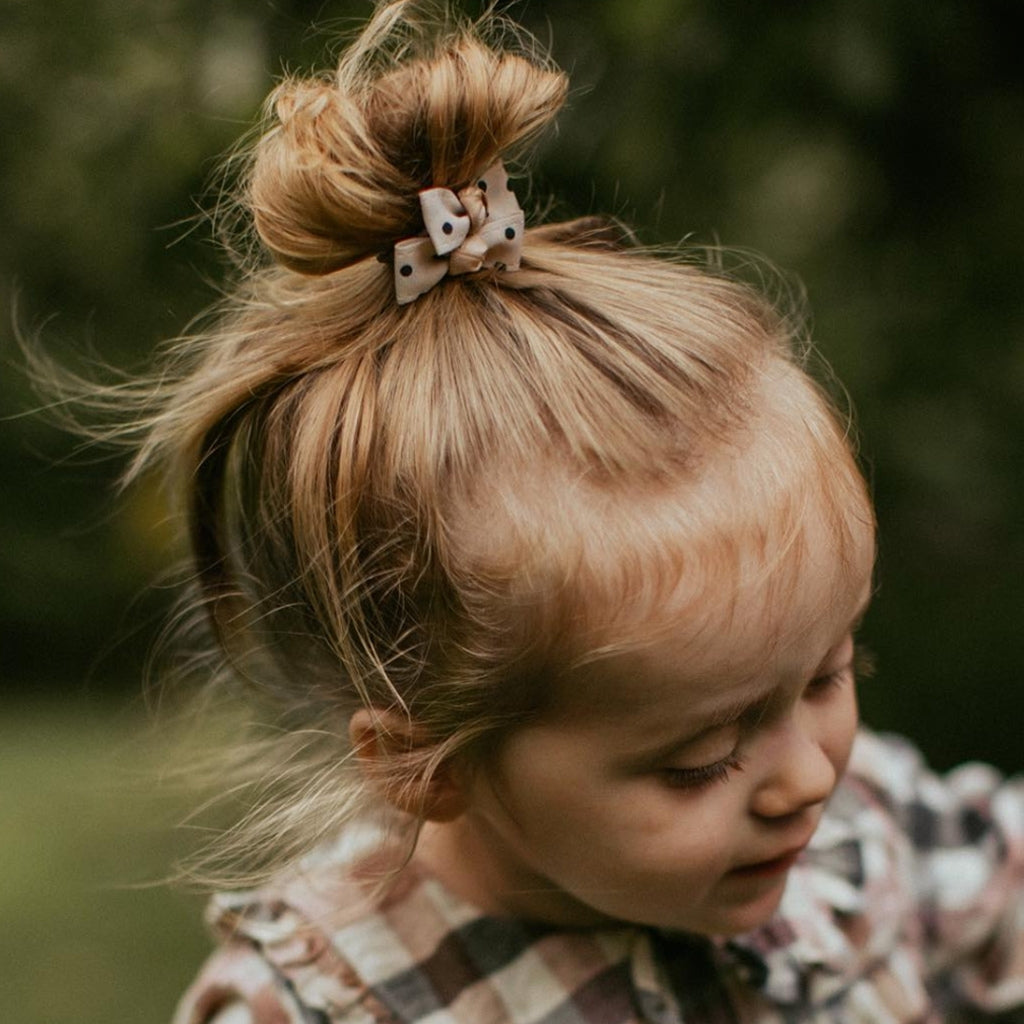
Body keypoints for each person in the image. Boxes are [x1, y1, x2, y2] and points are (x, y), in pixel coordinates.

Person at [155, 2, 1024, 1021]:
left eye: (830, 671)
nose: (805, 777)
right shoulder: (328, 1002)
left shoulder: (863, 824)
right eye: (700, 760)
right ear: (424, 763)